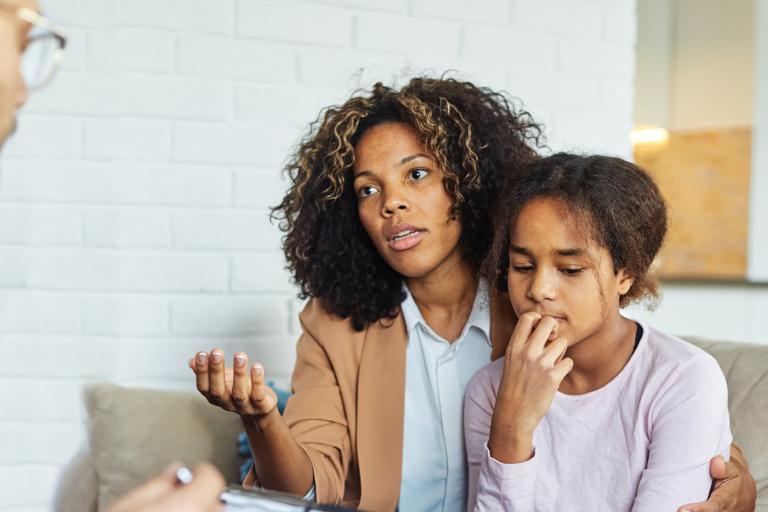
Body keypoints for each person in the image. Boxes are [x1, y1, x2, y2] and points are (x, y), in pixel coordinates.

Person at [189, 78, 757, 511]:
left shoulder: (541, 303)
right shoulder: (336, 325)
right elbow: (311, 487)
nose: (392, 203)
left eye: (416, 175)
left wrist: (738, 482)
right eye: (368, 190)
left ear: (466, 178)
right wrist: (264, 418)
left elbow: (641, 400)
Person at [464, 153, 732, 511]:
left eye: (571, 269)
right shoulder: (489, 390)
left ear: (625, 273)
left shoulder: (683, 380)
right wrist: (510, 429)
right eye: (522, 265)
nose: (539, 289)